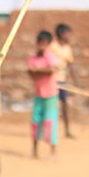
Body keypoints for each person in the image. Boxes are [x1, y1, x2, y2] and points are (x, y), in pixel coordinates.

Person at [28, 30, 59, 159]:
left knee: (49, 123)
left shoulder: (50, 57)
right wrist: (41, 71)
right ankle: (35, 151)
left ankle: (53, 152)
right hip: (38, 95)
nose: (42, 46)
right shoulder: (33, 58)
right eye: (40, 43)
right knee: (35, 122)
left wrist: (38, 70)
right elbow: (30, 72)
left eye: (45, 44)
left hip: (51, 95)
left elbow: (51, 69)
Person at [49, 23, 77, 138]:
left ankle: (67, 130)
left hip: (62, 81)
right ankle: (50, 132)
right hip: (51, 81)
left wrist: (76, 82)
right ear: (61, 34)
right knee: (52, 106)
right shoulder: (52, 46)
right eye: (67, 33)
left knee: (64, 105)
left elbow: (70, 65)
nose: (69, 36)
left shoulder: (67, 48)